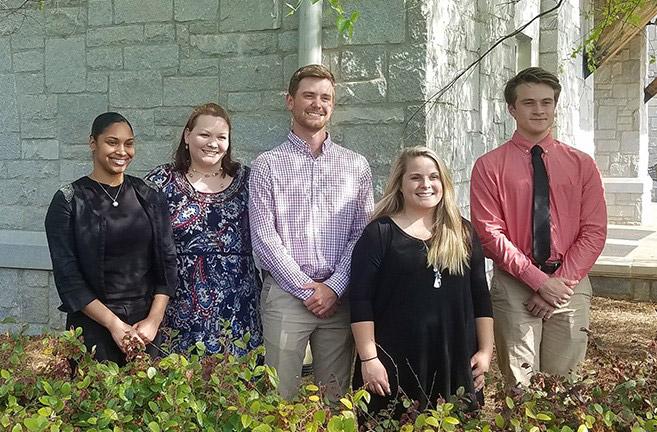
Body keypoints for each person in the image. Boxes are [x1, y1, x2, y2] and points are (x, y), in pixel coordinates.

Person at [470, 67, 607, 387]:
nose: (539, 110)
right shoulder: (489, 166)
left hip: (569, 287)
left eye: (547, 102)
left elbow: (594, 230)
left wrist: (556, 284)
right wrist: (537, 281)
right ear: (512, 109)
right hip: (515, 287)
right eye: (529, 103)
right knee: (519, 389)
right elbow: (489, 235)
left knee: (566, 389)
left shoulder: (582, 165)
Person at [249, 64, 374, 401]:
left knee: (334, 400)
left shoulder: (356, 166)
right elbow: (264, 236)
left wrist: (333, 288)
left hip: (338, 298)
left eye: (325, 98)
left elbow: (362, 235)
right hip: (287, 297)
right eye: (309, 95)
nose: (317, 103)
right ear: (290, 101)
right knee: (279, 398)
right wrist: (308, 291)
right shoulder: (267, 165)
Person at [349, 147, 494, 418]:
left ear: (444, 183)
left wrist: (485, 351)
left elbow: (481, 297)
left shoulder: (462, 232)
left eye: (433, 177)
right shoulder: (379, 234)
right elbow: (360, 301)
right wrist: (369, 359)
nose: (426, 184)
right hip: (392, 363)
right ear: (400, 184)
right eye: (416, 177)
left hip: (453, 359)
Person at [45, 112, 177, 365]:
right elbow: (68, 277)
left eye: (129, 143)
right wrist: (114, 325)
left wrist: (153, 321)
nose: (122, 151)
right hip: (93, 326)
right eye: (112, 142)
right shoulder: (69, 201)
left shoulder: (148, 196)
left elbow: (167, 264)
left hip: (145, 329)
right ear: (93, 143)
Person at [146, 103, 262, 355]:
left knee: (237, 388)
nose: (213, 143)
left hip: (239, 308)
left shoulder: (250, 181)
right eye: (205, 135)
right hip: (178, 306)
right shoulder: (161, 182)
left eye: (221, 137)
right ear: (187, 136)